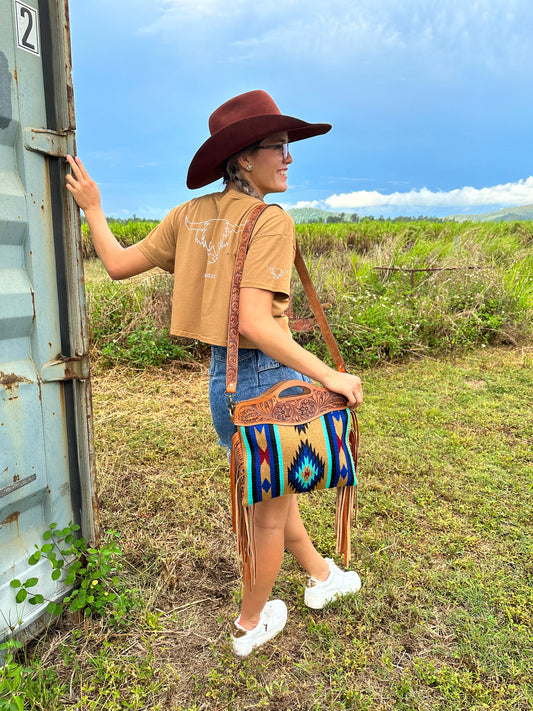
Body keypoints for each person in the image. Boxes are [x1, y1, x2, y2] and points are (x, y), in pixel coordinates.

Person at [66, 90, 363, 657]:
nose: (289, 158)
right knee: (269, 512)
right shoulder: (271, 221)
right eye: (278, 147)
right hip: (268, 377)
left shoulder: (189, 216)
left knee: (276, 494)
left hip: (222, 383)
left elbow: (117, 264)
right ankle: (252, 624)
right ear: (244, 158)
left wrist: (94, 209)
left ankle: (323, 577)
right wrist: (330, 374)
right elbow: (255, 322)